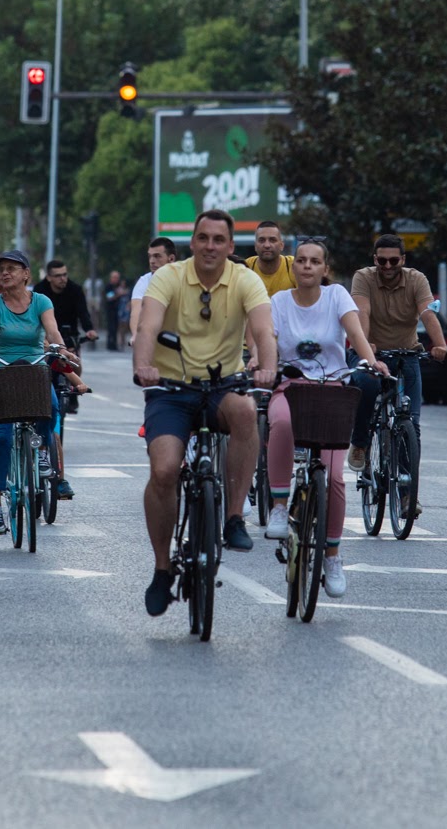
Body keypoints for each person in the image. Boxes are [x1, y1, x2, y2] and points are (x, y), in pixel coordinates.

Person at [131, 210, 276, 616]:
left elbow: (264, 331)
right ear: (192, 242)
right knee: (164, 471)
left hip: (223, 385)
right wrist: (143, 366)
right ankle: (162, 569)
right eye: (203, 238)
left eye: (218, 240)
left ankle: (234, 518)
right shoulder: (168, 276)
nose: (210, 246)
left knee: (246, 410)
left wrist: (268, 367)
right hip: (171, 389)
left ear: (230, 246)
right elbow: (147, 328)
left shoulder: (245, 280)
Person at [265, 238, 387, 600]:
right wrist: (263, 363)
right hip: (290, 388)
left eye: (314, 261)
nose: (306, 266)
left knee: (334, 478)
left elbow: (355, 333)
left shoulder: (337, 297)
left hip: (332, 390)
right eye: (301, 260)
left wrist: (370, 362)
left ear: (325, 269)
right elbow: (267, 339)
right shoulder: (278, 302)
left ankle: (332, 556)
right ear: (294, 267)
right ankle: (279, 506)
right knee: (281, 423)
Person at [0, 249, 76, 529]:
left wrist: (62, 350)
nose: (5, 273)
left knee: (51, 407)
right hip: (0, 372)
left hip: (34, 370)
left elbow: (52, 332)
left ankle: (41, 451)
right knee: (1, 439)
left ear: (26, 274)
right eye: (1, 269)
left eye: (12, 268)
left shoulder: (41, 301)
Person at [348, 235, 447, 492]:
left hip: (407, 355)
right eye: (382, 261)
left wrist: (440, 344)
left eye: (394, 260)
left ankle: (407, 494)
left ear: (403, 260)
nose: (388, 266)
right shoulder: (363, 277)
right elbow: (362, 312)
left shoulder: (416, 279)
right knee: (367, 386)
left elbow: (427, 313)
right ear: (375, 260)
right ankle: (360, 442)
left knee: (411, 423)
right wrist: (365, 346)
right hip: (371, 353)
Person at [127, 236, 176, 353]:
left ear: (171, 259)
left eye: (157, 256)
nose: (152, 261)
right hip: (153, 342)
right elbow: (136, 311)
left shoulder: (183, 279)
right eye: (150, 256)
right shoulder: (144, 281)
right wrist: (136, 335)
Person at [35, 259, 97, 347]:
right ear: (49, 277)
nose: (62, 278)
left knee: (73, 354)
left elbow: (83, 312)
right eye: (57, 276)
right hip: (47, 339)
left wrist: (89, 329)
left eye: (64, 274)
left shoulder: (76, 290)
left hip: (71, 336)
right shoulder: (39, 290)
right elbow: (35, 314)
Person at [244, 219, 299, 296]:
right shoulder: (246, 268)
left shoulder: (294, 266)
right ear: (255, 246)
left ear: (281, 245)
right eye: (262, 240)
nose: (267, 245)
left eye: (272, 240)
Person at [100, 270, 126, 352]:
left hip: (117, 310)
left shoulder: (118, 286)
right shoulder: (108, 286)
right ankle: (110, 344)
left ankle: (114, 344)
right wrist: (118, 294)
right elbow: (109, 297)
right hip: (110, 310)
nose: (116, 279)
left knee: (116, 327)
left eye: (117, 277)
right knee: (111, 328)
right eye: (114, 277)